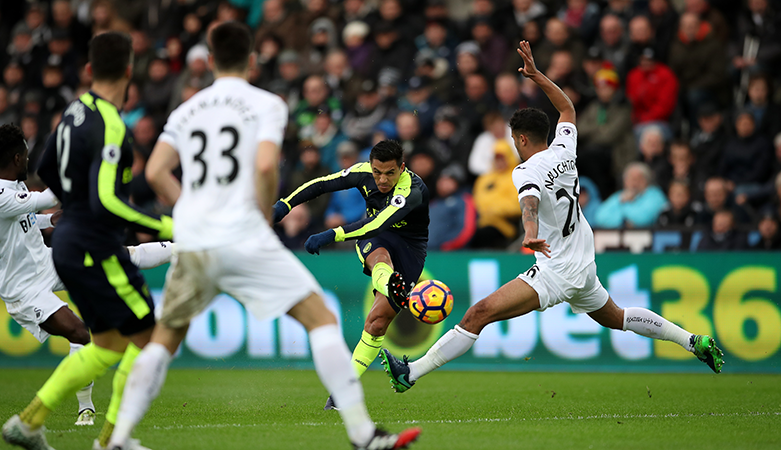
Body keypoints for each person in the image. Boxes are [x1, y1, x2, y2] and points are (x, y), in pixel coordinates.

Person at [107, 22, 420, 450]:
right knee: (321, 319)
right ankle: (362, 434)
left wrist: (193, 213)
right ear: (252, 61)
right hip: (243, 233)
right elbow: (267, 164)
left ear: (211, 61)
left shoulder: (187, 110)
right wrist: (265, 211)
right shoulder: (266, 103)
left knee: (165, 337)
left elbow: (156, 172)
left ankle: (118, 438)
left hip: (198, 237)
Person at [379, 40, 724, 396]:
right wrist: (537, 75)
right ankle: (692, 340)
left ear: (522, 138)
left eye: (515, 140)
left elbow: (529, 201)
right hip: (582, 261)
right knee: (617, 317)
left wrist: (529, 232)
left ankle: (412, 372)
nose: (514, 145)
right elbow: (568, 108)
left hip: (557, 268)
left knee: (478, 313)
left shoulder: (526, 169)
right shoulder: (565, 149)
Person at [2, 32, 175, 450]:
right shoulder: (111, 124)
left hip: (65, 243)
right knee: (149, 340)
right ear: (130, 72)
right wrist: (169, 227)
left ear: (89, 70)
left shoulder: (72, 112)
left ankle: (28, 422)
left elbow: (45, 166)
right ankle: (112, 440)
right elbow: (108, 202)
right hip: (94, 245)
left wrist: (75, 208)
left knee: (110, 343)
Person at [0, 124, 173, 428]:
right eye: (27, 156)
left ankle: (182, 248)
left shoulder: (9, 183)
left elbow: (26, 216)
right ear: (17, 158)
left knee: (121, 254)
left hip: (45, 261)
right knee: (81, 333)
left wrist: (49, 220)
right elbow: (41, 199)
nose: (29, 161)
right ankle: (85, 408)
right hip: (22, 286)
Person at [274, 135, 429, 410]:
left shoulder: (411, 190)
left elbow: (377, 222)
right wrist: (285, 204)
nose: (382, 180)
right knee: (380, 256)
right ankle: (341, 396)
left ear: (402, 168)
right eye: (377, 172)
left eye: (390, 173)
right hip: (377, 242)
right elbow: (322, 184)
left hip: (409, 249)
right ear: (370, 166)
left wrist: (332, 234)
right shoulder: (362, 172)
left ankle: (387, 282)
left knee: (376, 324)